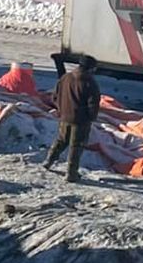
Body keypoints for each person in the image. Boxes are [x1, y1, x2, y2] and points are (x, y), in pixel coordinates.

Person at [43, 52, 102, 182]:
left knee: (61, 140)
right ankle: (71, 173)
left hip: (64, 117)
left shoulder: (65, 78)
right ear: (91, 68)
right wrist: (91, 117)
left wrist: (61, 109)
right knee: (76, 146)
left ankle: (48, 161)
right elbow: (93, 104)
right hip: (80, 121)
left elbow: (54, 96)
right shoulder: (90, 83)